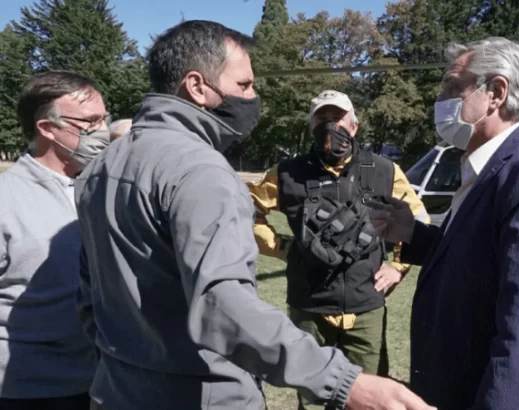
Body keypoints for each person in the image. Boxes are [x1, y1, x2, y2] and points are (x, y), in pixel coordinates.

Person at [73, 20, 434, 410]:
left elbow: (89, 296)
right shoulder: (202, 171)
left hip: (118, 390)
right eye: (244, 85)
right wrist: (342, 381)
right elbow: (222, 306)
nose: (253, 97)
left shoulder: (103, 164)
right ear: (197, 86)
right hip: (203, 395)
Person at [365, 37, 519, 410]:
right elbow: (485, 260)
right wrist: (412, 233)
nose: (440, 99)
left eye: (452, 86)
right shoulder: (492, 167)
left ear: (496, 93)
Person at [247, 89, 428, 408]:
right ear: (311, 127)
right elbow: (247, 210)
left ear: (354, 126)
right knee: (313, 399)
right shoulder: (287, 173)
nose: (330, 126)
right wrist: (280, 247)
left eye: (338, 118)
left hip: (365, 305)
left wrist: (398, 266)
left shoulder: (384, 170)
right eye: (322, 119)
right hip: (309, 307)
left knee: (369, 399)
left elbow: (415, 218)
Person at [0, 71, 110, 410]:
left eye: (104, 118)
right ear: (47, 128)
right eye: (90, 122)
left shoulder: (105, 189)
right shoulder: (6, 198)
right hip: (25, 390)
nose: (103, 131)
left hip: (102, 382)